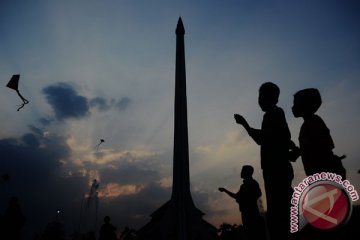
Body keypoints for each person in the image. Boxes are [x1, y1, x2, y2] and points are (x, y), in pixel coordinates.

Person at [234, 82, 294, 240]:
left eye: (261, 97)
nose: (259, 101)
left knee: (279, 213)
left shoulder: (275, 113)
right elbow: (274, 138)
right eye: (259, 97)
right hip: (273, 168)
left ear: (271, 98)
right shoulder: (271, 115)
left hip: (277, 169)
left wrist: (245, 125)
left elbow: (267, 138)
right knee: (278, 211)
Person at [291, 88, 346, 179]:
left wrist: (300, 151)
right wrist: (299, 151)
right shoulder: (310, 123)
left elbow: (322, 148)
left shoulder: (313, 123)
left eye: (295, 104)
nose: (292, 107)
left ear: (305, 105)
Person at [219, 165, 266, 240]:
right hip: (253, 212)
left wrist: (225, 191)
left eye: (242, 171)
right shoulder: (253, 183)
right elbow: (258, 195)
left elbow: (237, 197)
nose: (241, 172)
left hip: (249, 213)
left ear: (246, 172)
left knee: (252, 234)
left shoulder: (246, 185)